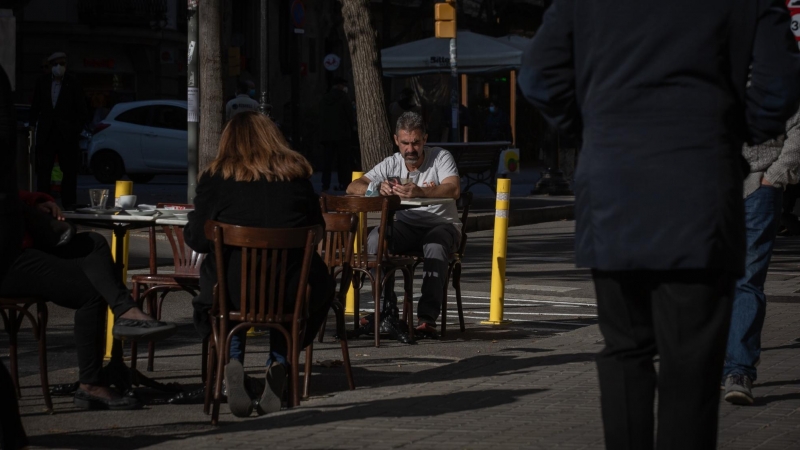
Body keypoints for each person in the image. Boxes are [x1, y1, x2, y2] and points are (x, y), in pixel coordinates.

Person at [518, 0, 800, 448]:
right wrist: (736, 131)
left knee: (625, 350)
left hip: (615, 188)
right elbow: (781, 79)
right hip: (699, 187)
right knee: (690, 361)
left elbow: (536, 76)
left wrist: (593, 130)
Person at [1, 64, 173, 413]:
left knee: (94, 242)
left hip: (20, 239)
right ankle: (91, 384)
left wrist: (37, 200)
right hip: (8, 257)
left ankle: (126, 310)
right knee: (91, 291)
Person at [184, 111, 334, 418]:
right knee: (310, 289)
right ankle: (279, 361)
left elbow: (198, 240)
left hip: (232, 292)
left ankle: (231, 360)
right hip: (289, 290)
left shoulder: (217, 177)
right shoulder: (296, 176)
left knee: (221, 284)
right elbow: (317, 230)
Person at [346, 111, 461, 339]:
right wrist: (376, 189)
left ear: (425, 140)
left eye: (416, 143)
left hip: (441, 225)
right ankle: (386, 310)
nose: (410, 149)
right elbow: (353, 187)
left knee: (435, 245)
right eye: (405, 143)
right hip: (406, 226)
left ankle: (427, 318)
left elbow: (453, 189)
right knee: (375, 239)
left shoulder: (440, 157)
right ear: (396, 140)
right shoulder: (391, 163)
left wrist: (423, 191)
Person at [724, 109, 800, 404]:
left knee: (746, 279)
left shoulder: (778, 70)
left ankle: (738, 371)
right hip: (705, 190)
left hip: (758, 188)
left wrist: (776, 175)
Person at [29, 51, 88, 210]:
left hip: (66, 134)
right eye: (56, 64)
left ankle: (69, 203)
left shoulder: (72, 82)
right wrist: (32, 126)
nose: (59, 67)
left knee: (68, 170)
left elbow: (82, 108)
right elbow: (36, 106)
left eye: (62, 64)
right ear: (50, 66)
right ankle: (43, 202)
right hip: (47, 133)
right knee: (44, 171)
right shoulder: (42, 82)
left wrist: (75, 129)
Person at [318, 77, 354, 191]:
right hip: (342, 135)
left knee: (327, 161)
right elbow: (350, 116)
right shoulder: (344, 98)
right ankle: (344, 183)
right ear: (340, 86)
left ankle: (325, 184)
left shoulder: (325, 98)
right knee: (343, 161)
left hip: (327, 135)